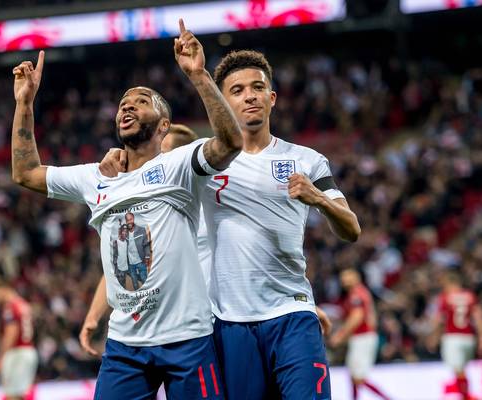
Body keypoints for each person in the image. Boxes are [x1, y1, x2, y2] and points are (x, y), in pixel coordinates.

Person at [98, 50, 359, 399]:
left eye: (257, 88)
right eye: (237, 90)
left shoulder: (306, 160)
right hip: (229, 324)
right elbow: (150, 164)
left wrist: (320, 200)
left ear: (272, 98)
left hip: (293, 314)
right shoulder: (203, 162)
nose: (249, 96)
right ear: (223, 102)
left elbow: (351, 229)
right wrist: (120, 158)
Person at [10, 18, 241, 399]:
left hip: (187, 337)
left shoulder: (179, 165)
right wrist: (24, 103)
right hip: (125, 345)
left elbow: (230, 143)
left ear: (164, 125)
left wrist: (199, 75)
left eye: (141, 101)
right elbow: (26, 173)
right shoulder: (95, 177)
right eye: (122, 104)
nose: (127, 106)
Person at [330, 268, 389, 400]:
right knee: (353, 376)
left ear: (356, 277)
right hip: (361, 337)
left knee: (358, 378)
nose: (344, 280)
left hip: (363, 338)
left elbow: (357, 317)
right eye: (343, 277)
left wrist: (340, 335)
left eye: (347, 276)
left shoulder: (356, 294)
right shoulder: (359, 293)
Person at [431, 270, 482, 399]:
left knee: (458, 370)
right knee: (463, 370)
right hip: (469, 338)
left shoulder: (446, 297)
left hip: (452, 338)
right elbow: (478, 317)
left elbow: (439, 320)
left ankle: (465, 396)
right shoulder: (470, 296)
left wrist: (433, 336)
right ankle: (464, 394)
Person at [0, 275, 38, 400]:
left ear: (3, 288)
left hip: (17, 353)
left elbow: (11, 333)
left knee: (12, 395)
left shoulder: (10, 307)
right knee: (20, 394)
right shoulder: (23, 304)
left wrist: (0, 358)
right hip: (28, 350)